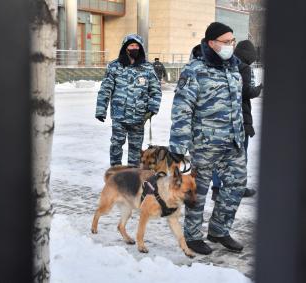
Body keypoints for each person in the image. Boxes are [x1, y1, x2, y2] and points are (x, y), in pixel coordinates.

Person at [168, 22, 247, 255]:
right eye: (226, 41)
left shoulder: (234, 69)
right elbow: (182, 108)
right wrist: (178, 145)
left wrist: (242, 133)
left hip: (233, 143)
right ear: (211, 43)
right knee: (198, 192)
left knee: (236, 185)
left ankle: (219, 230)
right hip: (204, 144)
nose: (231, 46)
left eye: (232, 41)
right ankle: (192, 236)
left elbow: (237, 106)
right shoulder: (195, 70)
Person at [96, 34, 162, 167]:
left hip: (139, 117)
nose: (134, 48)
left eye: (137, 46)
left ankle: (133, 177)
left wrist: (152, 108)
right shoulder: (114, 66)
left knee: (136, 150)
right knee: (116, 145)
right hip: (119, 116)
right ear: (125, 48)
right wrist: (100, 110)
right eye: (132, 45)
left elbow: (156, 90)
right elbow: (105, 89)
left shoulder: (147, 68)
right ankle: (115, 174)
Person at [210, 40, 263, 201]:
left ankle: (217, 188)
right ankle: (238, 187)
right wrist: (258, 89)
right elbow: (245, 91)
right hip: (240, 118)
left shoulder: (226, 64)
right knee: (241, 154)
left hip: (222, 117)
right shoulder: (244, 67)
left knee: (220, 155)